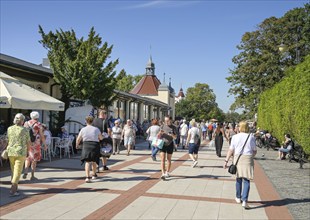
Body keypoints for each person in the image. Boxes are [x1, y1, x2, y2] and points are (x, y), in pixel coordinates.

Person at [223, 121, 257, 209]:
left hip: (237, 158)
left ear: (239, 127)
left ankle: (238, 197)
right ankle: (244, 200)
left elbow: (231, 150)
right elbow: (254, 150)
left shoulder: (235, 137)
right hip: (248, 158)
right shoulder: (251, 137)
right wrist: (252, 156)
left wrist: (226, 161)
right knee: (247, 179)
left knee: (238, 178)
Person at [7, 113, 31, 196]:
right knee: (18, 171)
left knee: (13, 170)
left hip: (11, 151)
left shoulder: (9, 129)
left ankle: (15, 188)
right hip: (20, 152)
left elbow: (8, 139)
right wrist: (29, 151)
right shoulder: (25, 130)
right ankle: (13, 189)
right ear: (22, 121)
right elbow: (28, 142)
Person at [76, 116, 103, 183]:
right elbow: (101, 138)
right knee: (94, 161)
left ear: (86, 121)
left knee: (87, 162)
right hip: (95, 145)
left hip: (86, 145)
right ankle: (94, 174)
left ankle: (87, 177)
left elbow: (78, 138)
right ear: (92, 121)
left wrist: (77, 145)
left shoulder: (83, 129)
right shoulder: (96, 129)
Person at [23, 111, 47, 181]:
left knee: (28, 157)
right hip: (36, 143)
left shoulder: (26, 123)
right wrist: (45, 144)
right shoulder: (39, 124)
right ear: (38, 116)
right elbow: (42, 135)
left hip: (28, 142)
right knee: (34, 159)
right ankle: (32, 175)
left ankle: (25, 171)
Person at [159, 116, 177, 180]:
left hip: (170, 144)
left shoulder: (174, 127)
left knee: (168, 159)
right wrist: (160, 133)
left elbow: (175, 137)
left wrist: (172, 134)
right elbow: (158, 136)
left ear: (170, 120)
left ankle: (167, 172)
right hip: (162, 144)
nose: (166, 122)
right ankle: (163, 173)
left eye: (167, 121)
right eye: (165, 121)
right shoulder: (162, 126)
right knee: (162, 159)